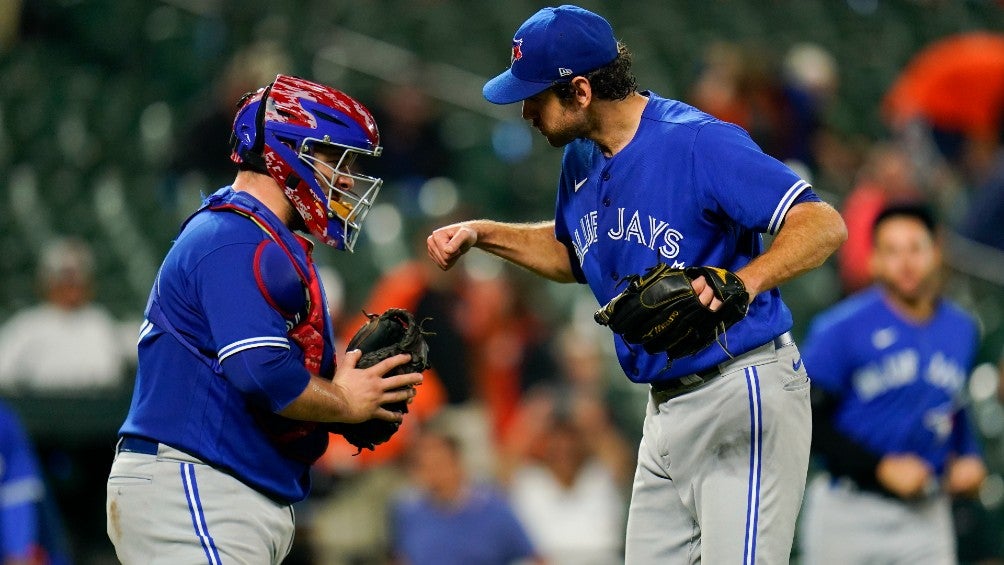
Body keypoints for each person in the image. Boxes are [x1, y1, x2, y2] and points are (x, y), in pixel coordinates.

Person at [426, 5, 847, 563]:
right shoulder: (581, 155)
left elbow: (822, 223)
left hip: (740, 388)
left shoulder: (698, 142)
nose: (524, 108)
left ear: (580, 91)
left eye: (535, 95)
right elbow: (573, 251)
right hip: (665, 408)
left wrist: (744, 280)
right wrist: (483, 233)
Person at [105, 74, 424, 565]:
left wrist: (332, 384)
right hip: (195, 481)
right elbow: (259, 371)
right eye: (334, 158)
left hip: (220, 489)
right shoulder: (233, 236)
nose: (345, 178)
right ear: (285, 152)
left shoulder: (256, 237)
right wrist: (342, 400)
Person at [799, 203, 987, 564]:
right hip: (848, 510)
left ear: (937, 252)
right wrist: (878, 467)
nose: (905, 262)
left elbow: (954, 406)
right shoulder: (839, 329)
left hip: (926, 515)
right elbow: (808, 423)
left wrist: (969, 456)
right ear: (874, 261)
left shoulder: (962, 328)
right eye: (892, 251)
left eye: (915, 248)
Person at [389, 427, 542, 565]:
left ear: (457, 463)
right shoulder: (408, 512)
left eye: (438, 464)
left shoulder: (494, 510)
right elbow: (401, 558)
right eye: (423, 466)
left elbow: (535, 557)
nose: (431, 473)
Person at [0, 237, 128, 394]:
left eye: (79, 275)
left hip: (97, 412)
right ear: (48, 279)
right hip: (42, 412)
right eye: (66, 276)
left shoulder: (100, 322)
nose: (73, 284)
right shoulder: (27, 325)